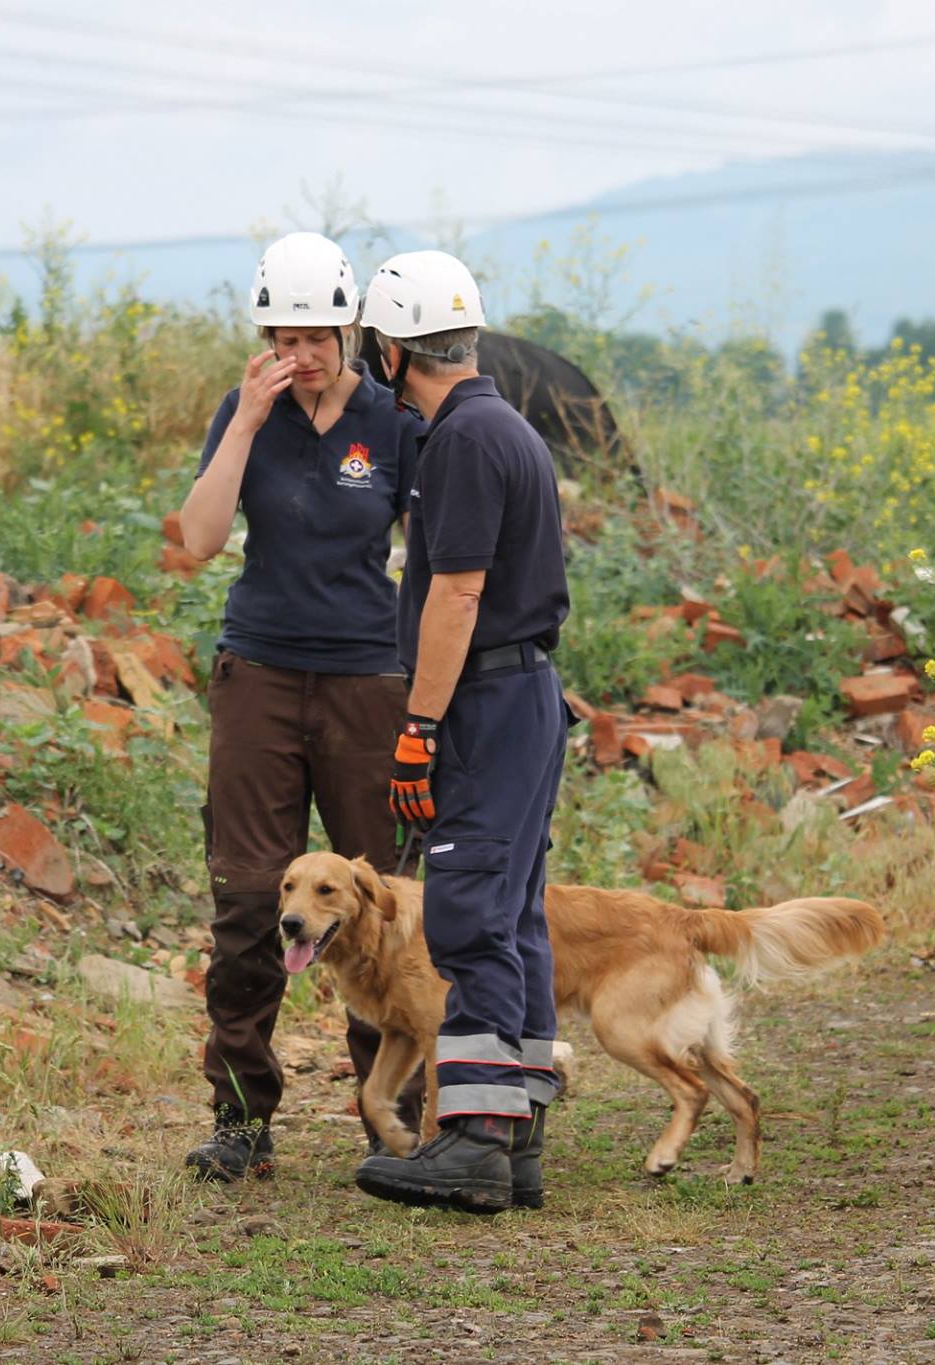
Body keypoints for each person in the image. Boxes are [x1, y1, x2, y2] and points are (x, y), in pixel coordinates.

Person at [178, 232, 427, 1182]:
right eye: (284, 333)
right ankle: (242, 1119)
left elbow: (440, 552)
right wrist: (243, 423)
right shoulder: (245, 414)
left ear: (351, 327)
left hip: (370, 679)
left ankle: (394, 1116)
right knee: (248, 897)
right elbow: (200, 539)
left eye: (320, 332)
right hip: (263, 676)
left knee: (384, 900)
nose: (304, 350)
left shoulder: (392, 420)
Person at [351, 250, 573, 1214]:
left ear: (393, 351)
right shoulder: (506, 427)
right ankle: (512, 1138)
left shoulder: (463, 441)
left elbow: (458, 590)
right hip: (523, 700)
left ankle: (474, 1141)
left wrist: (418, 726)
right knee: (515, 916)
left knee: (471, 915)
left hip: (486, 703)